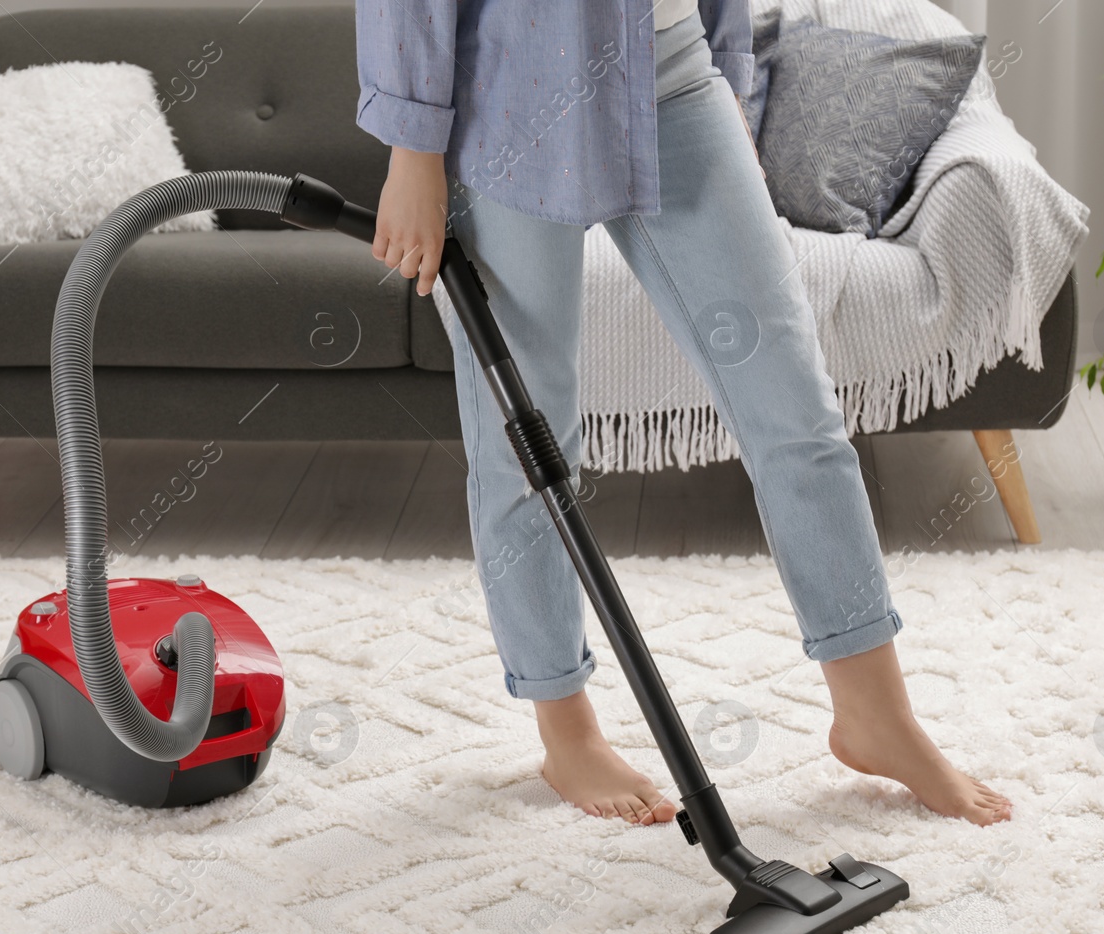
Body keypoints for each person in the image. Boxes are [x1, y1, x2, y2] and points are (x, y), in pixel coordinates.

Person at [355, 0, 1012, 827]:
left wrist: (730, 71)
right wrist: (413, 146)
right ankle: (567, 730)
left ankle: (876, 712)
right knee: (527, 434)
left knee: (794, 405)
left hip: (670, 66)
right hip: (508, 87)